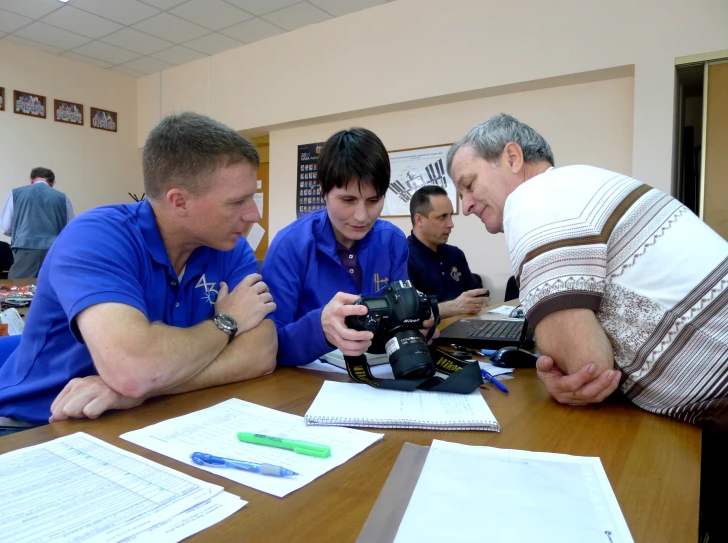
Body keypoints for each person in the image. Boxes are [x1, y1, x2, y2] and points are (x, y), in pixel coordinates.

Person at [0, 112, 277, 439]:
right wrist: (226, 323)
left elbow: (261, 353)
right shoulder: (95, 237)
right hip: (37, 424)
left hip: (146, 414)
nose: (254, 214)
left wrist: (144, 388)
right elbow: (133, 368)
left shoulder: (230, 246)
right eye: (237, 201)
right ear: (179, 201)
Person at [446, 113, 728, 422]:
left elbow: (587, 371)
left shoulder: (530, 200)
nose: (467, 205)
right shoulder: (580, 179)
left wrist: (560, 371)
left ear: (513, 158)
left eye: (469, 185)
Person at [261, 128, 410, 367]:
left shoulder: (392, 240)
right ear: (323, 189)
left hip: (379, 376)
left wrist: (416, 325)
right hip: (305, 381)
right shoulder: (290, 245)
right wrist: (320, 328)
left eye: (373, 201)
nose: (362, 216)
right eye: (348, 200)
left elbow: (399, 317)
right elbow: (266, 346)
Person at [407, 185, 489, 318]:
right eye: (442, 217)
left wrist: (480, 301)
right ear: (419, 220)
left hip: (466, 332)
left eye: (450, 216)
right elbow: (408, 313)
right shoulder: (402, 259)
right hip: (430, 336)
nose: (450, 224)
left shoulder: (455, 254)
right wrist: (453, 307)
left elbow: (478, 296)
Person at [0, 167, 75, 278]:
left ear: (31, 180)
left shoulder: (15, 194)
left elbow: (6, 227)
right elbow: (70, 228)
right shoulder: (62, 197)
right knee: (51, 287)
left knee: (19, 288)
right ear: (52, 183)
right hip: (53, 250)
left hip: (25, 248)